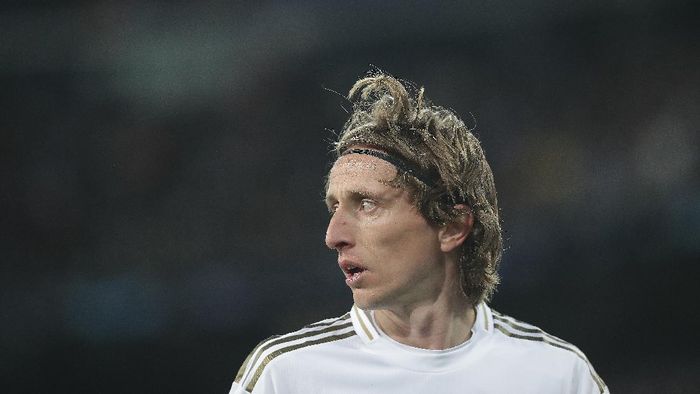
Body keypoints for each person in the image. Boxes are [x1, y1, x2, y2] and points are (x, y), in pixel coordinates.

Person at [229, 72, 608, 394]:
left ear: (452, 226)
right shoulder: (286, 376)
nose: (334, 235)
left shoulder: (559, 375)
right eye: (334, 207)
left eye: (367, 204)